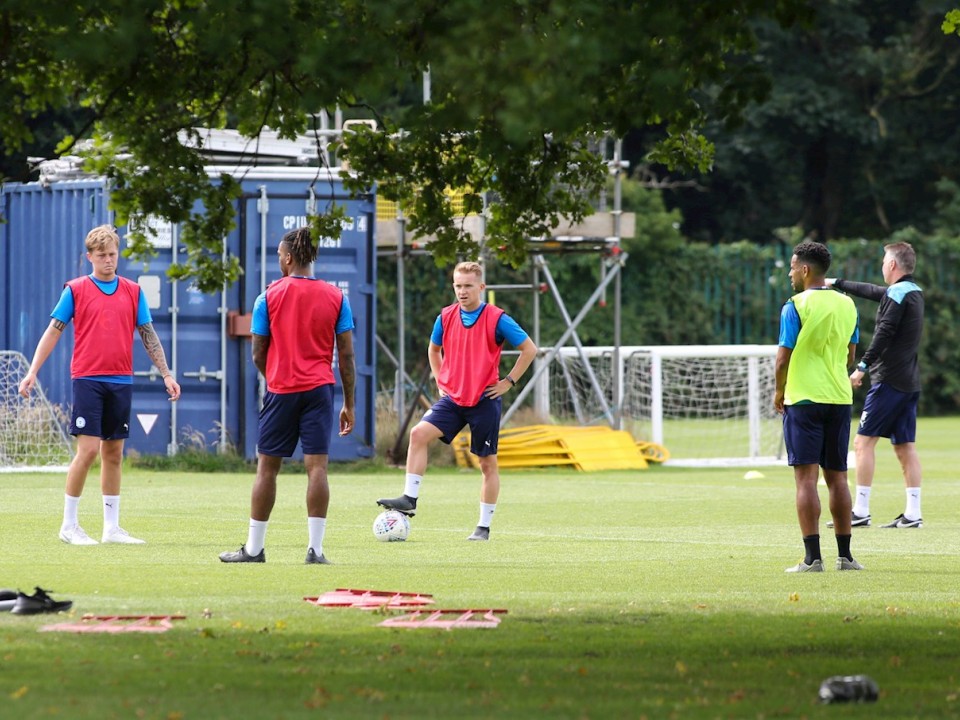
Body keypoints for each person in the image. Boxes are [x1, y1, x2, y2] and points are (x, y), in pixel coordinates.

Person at [18, 224, 181, 545]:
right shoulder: (75, 290)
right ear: (89, 257)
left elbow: (148, 335)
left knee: (114, 453)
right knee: (89, 450)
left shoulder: (133, 292)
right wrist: (32, 371)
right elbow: (53, 331)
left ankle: (111, 529)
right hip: (88, 379)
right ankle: (69, 526)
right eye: (102, 255)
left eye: (113, 254)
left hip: (121, 380)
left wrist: (166, 373)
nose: (108, 260)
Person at [220, 227, 355, 565]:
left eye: (280, 256)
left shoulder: (267, 297)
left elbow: (257, 352)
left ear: (289, 258)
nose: (278, 261)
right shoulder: (337, 297)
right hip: (319, 390)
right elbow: (347, 355)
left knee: (267, 468)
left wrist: (275, 377)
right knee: (317, 468)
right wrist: (349, 403)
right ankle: (315, 551)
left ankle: (254, 549)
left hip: (281, 390)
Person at [377, 261, 538, 541]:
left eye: (468, 286)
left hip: (484, 400)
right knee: (418, 434)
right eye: (458, 286)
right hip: (453, 399)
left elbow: (529, 349)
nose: (462, 291)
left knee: (487, 464)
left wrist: (508, 382)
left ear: (481, 287)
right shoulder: (445, 316)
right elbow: (434, 350)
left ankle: (483, 527)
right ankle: (409, 499)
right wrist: (442, 381)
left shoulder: (497, 318)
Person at [774, 241, 862, 573]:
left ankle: (813, 559)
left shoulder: (794, 306)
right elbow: (850, 355)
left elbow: (782, 358)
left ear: (805, 269)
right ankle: (846, 557)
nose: (790, 273)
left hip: (803, 399)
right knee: (838, 478)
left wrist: (778, 391)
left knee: (806, 480)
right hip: (838, 398)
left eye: (792, 267)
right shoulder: (848, 304)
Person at [825, 241, 924, 528]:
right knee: (904, 446)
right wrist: (837, 283)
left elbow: (885, 331)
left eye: (883, 262)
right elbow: (872, 291)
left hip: (888, 381)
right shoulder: (913, 292)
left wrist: (862, 367)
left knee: (862, 442)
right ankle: (913, 514)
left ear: (892, 264)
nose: (882, 266)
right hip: (909, 381)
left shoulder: (897, 294)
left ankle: (860, 510)